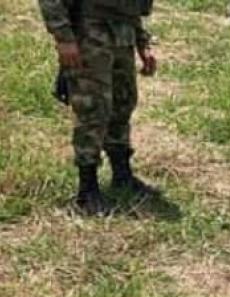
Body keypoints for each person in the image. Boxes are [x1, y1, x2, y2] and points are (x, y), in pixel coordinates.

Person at [39, 0, 161, 216]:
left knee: (122, 102)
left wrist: (142, 41)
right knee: (93, 107)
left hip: (123, 29)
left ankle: (122, 173)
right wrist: (64, 37)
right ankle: (87, 189)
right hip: (89, 29)